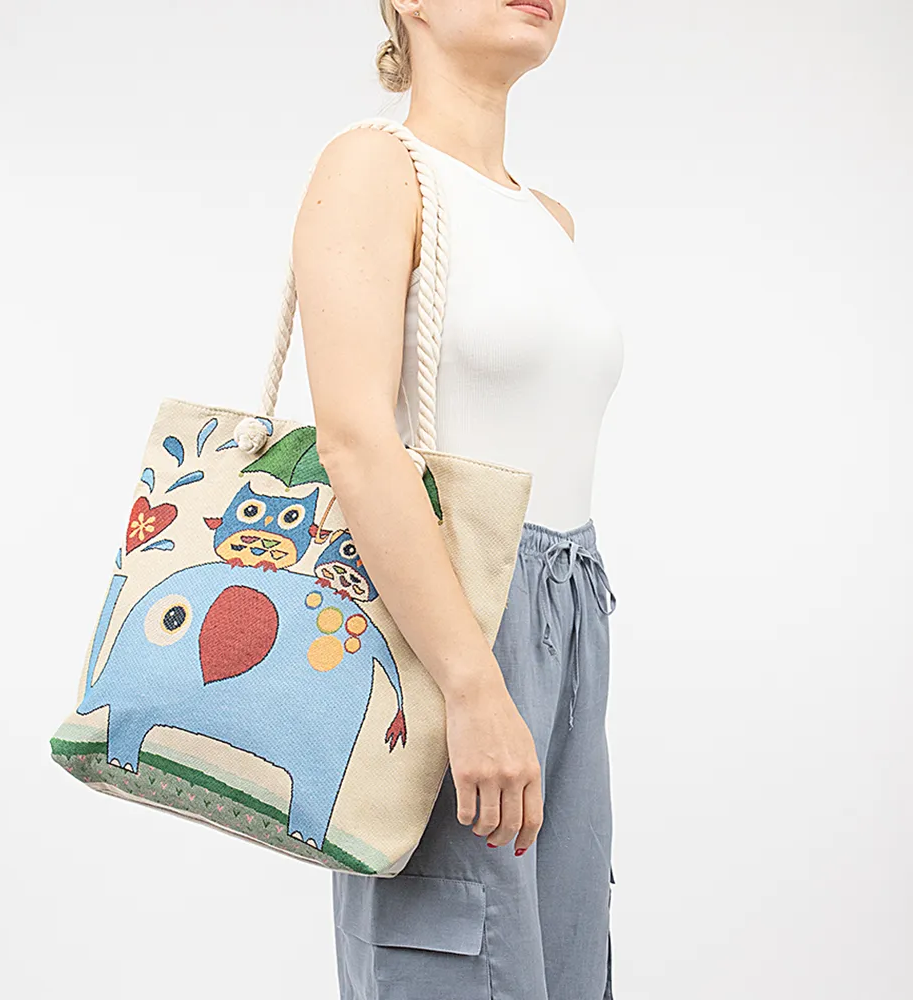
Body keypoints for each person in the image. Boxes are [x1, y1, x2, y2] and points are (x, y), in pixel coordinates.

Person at [290, 2, 624, 997]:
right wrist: (474, 683)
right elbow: (355, 440)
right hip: (444, 619)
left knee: (564, 960)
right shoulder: (374, 166)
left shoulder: (549, 219)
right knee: (451, 956)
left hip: (569, 611)